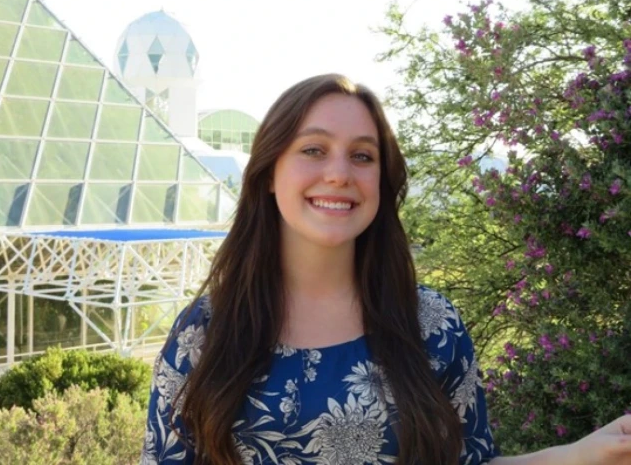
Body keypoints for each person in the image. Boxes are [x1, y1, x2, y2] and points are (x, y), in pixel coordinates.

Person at [142, 74, 631, 465]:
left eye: (362, 156)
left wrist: (581, 455)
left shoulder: (432, 326)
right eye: (314, 149)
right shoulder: (204, 335)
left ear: (382, 177)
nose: (339, 173)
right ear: (270, 173)